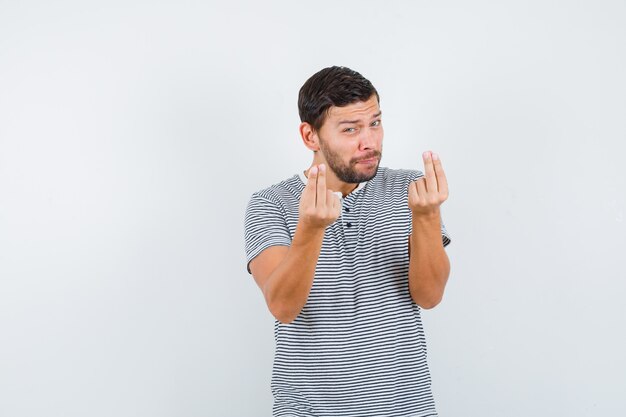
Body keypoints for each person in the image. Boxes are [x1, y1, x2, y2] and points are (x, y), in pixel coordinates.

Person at [244, 66, 452, 417]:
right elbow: (283, 306)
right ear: (310, 136)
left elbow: (429, 297)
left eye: (374, 123)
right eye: (350, 129)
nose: (368, 141)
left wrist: (427, 216)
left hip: (405, 408)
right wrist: (310, 227)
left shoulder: (411, 190)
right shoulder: (271, 203)